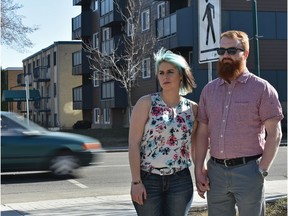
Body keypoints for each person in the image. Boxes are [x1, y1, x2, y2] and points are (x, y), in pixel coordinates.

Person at [194, 30, 284, 216]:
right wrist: (198, 168)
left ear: (246, 53)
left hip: (249, 171)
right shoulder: (209, 90)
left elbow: (275, 134)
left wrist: (262, 170)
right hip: (215, 173)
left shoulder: (262, 88)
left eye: (232, 51)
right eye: (222, 51)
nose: (226, 55)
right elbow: (202, 132)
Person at [129, 47, 198, 216]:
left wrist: (201, 172)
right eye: (161, 73)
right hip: (148, 180)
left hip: (180, 181)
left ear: (181, 75)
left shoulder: (193, 109)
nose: (165, 77)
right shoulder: (146, 103)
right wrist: (136, 182)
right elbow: (133, 144)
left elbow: (195, 146)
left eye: (170, 72)